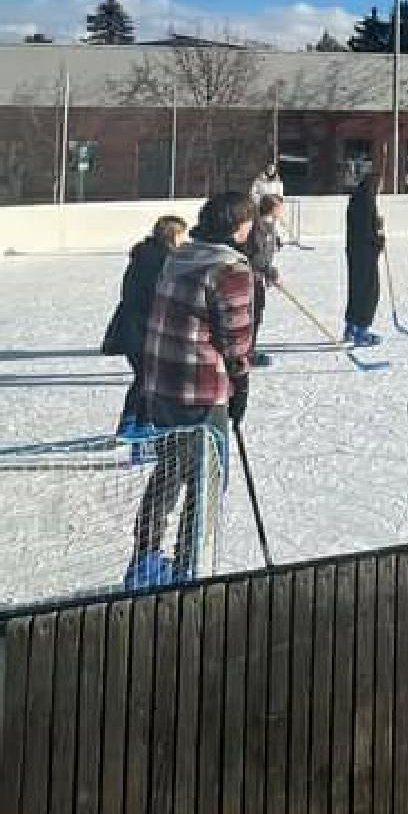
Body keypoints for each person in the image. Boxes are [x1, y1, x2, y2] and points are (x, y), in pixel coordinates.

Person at [126, 192, 258, 589]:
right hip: (200, 389)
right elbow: (235, 339)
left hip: (161, 383)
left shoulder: (180, 254)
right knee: (206, 478)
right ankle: (189, 567)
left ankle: (144, 560)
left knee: (168, 471)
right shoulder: (230, 268)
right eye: (248, 222)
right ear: (237, 225)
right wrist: (241, 384)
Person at [104, 214, 186, 438]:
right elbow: (153, 296)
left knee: (147, 377)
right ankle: (135, 425)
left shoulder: (146, 255)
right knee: (147, 378)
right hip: (140, 328)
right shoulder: (159, 260)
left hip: (134, 326)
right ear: (172, 236)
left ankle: (137, 423)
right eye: (181, 235)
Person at [343, 170, 385, 347]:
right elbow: (367, 231)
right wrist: (379, 240)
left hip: (354, 251)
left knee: (356, 289)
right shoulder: (367, 201)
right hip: (365, 253)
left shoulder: (356, 199)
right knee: (369, 291)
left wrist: (377, 223)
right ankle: (361, 329)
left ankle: (351, 327)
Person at [244, 192, 285, 366]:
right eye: (280, 208)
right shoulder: (258, 227)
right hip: (251, 277)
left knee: (257, 314)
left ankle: (249, 348)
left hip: (260, 277)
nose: (282, 211)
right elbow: (255, 256)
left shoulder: (270, 226)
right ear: (273, 208)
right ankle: (246, 353)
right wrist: (270, 271)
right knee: (250, 315)